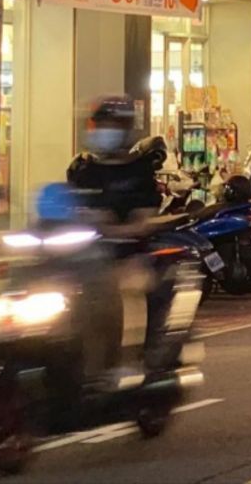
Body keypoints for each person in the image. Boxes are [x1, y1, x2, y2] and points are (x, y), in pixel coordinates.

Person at [65, 96, 171, 374]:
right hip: (85, 258)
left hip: (128, 257)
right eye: (101, 124)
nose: (105, 131)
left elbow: (144, 219)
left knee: (129, 290)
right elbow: (64, 208)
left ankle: (130, 361)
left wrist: (120, 230)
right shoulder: (83, 170)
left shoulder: (139, 172)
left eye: (113, 125)